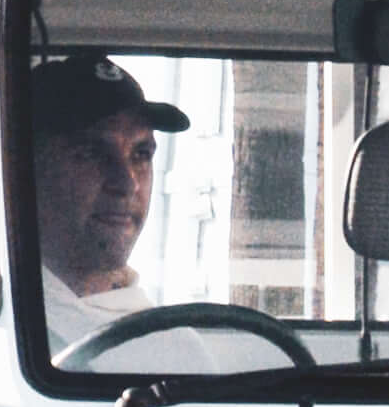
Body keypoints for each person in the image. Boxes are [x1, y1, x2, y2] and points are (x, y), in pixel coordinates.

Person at [27, 50, 278, 372]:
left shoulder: (175, 351)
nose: (127, 183)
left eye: (141, 154)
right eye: (90, 153)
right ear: (28, 169)